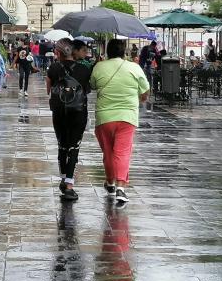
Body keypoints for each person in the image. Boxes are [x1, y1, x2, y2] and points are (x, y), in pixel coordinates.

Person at [90, 39, 150, 207]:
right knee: (122, 152)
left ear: (108, 51)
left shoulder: (99, 66)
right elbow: (145, 91)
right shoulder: (134, 67)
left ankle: (110, 182)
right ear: (124, 52)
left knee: (108, 152)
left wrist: (99, 66)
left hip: (104, 117)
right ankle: (121, 187)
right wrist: (140, 99)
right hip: (127, 117)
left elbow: (92, 85)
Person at [47, 38, 91, 201]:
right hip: (78, 112)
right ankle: (69, 185)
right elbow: (88, 90)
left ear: (58, 52)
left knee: (62, 144)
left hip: (59, 111)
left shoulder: (53, 68)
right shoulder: (85, 69)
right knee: (74, 146)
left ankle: (63, 177)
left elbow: (48, 90)